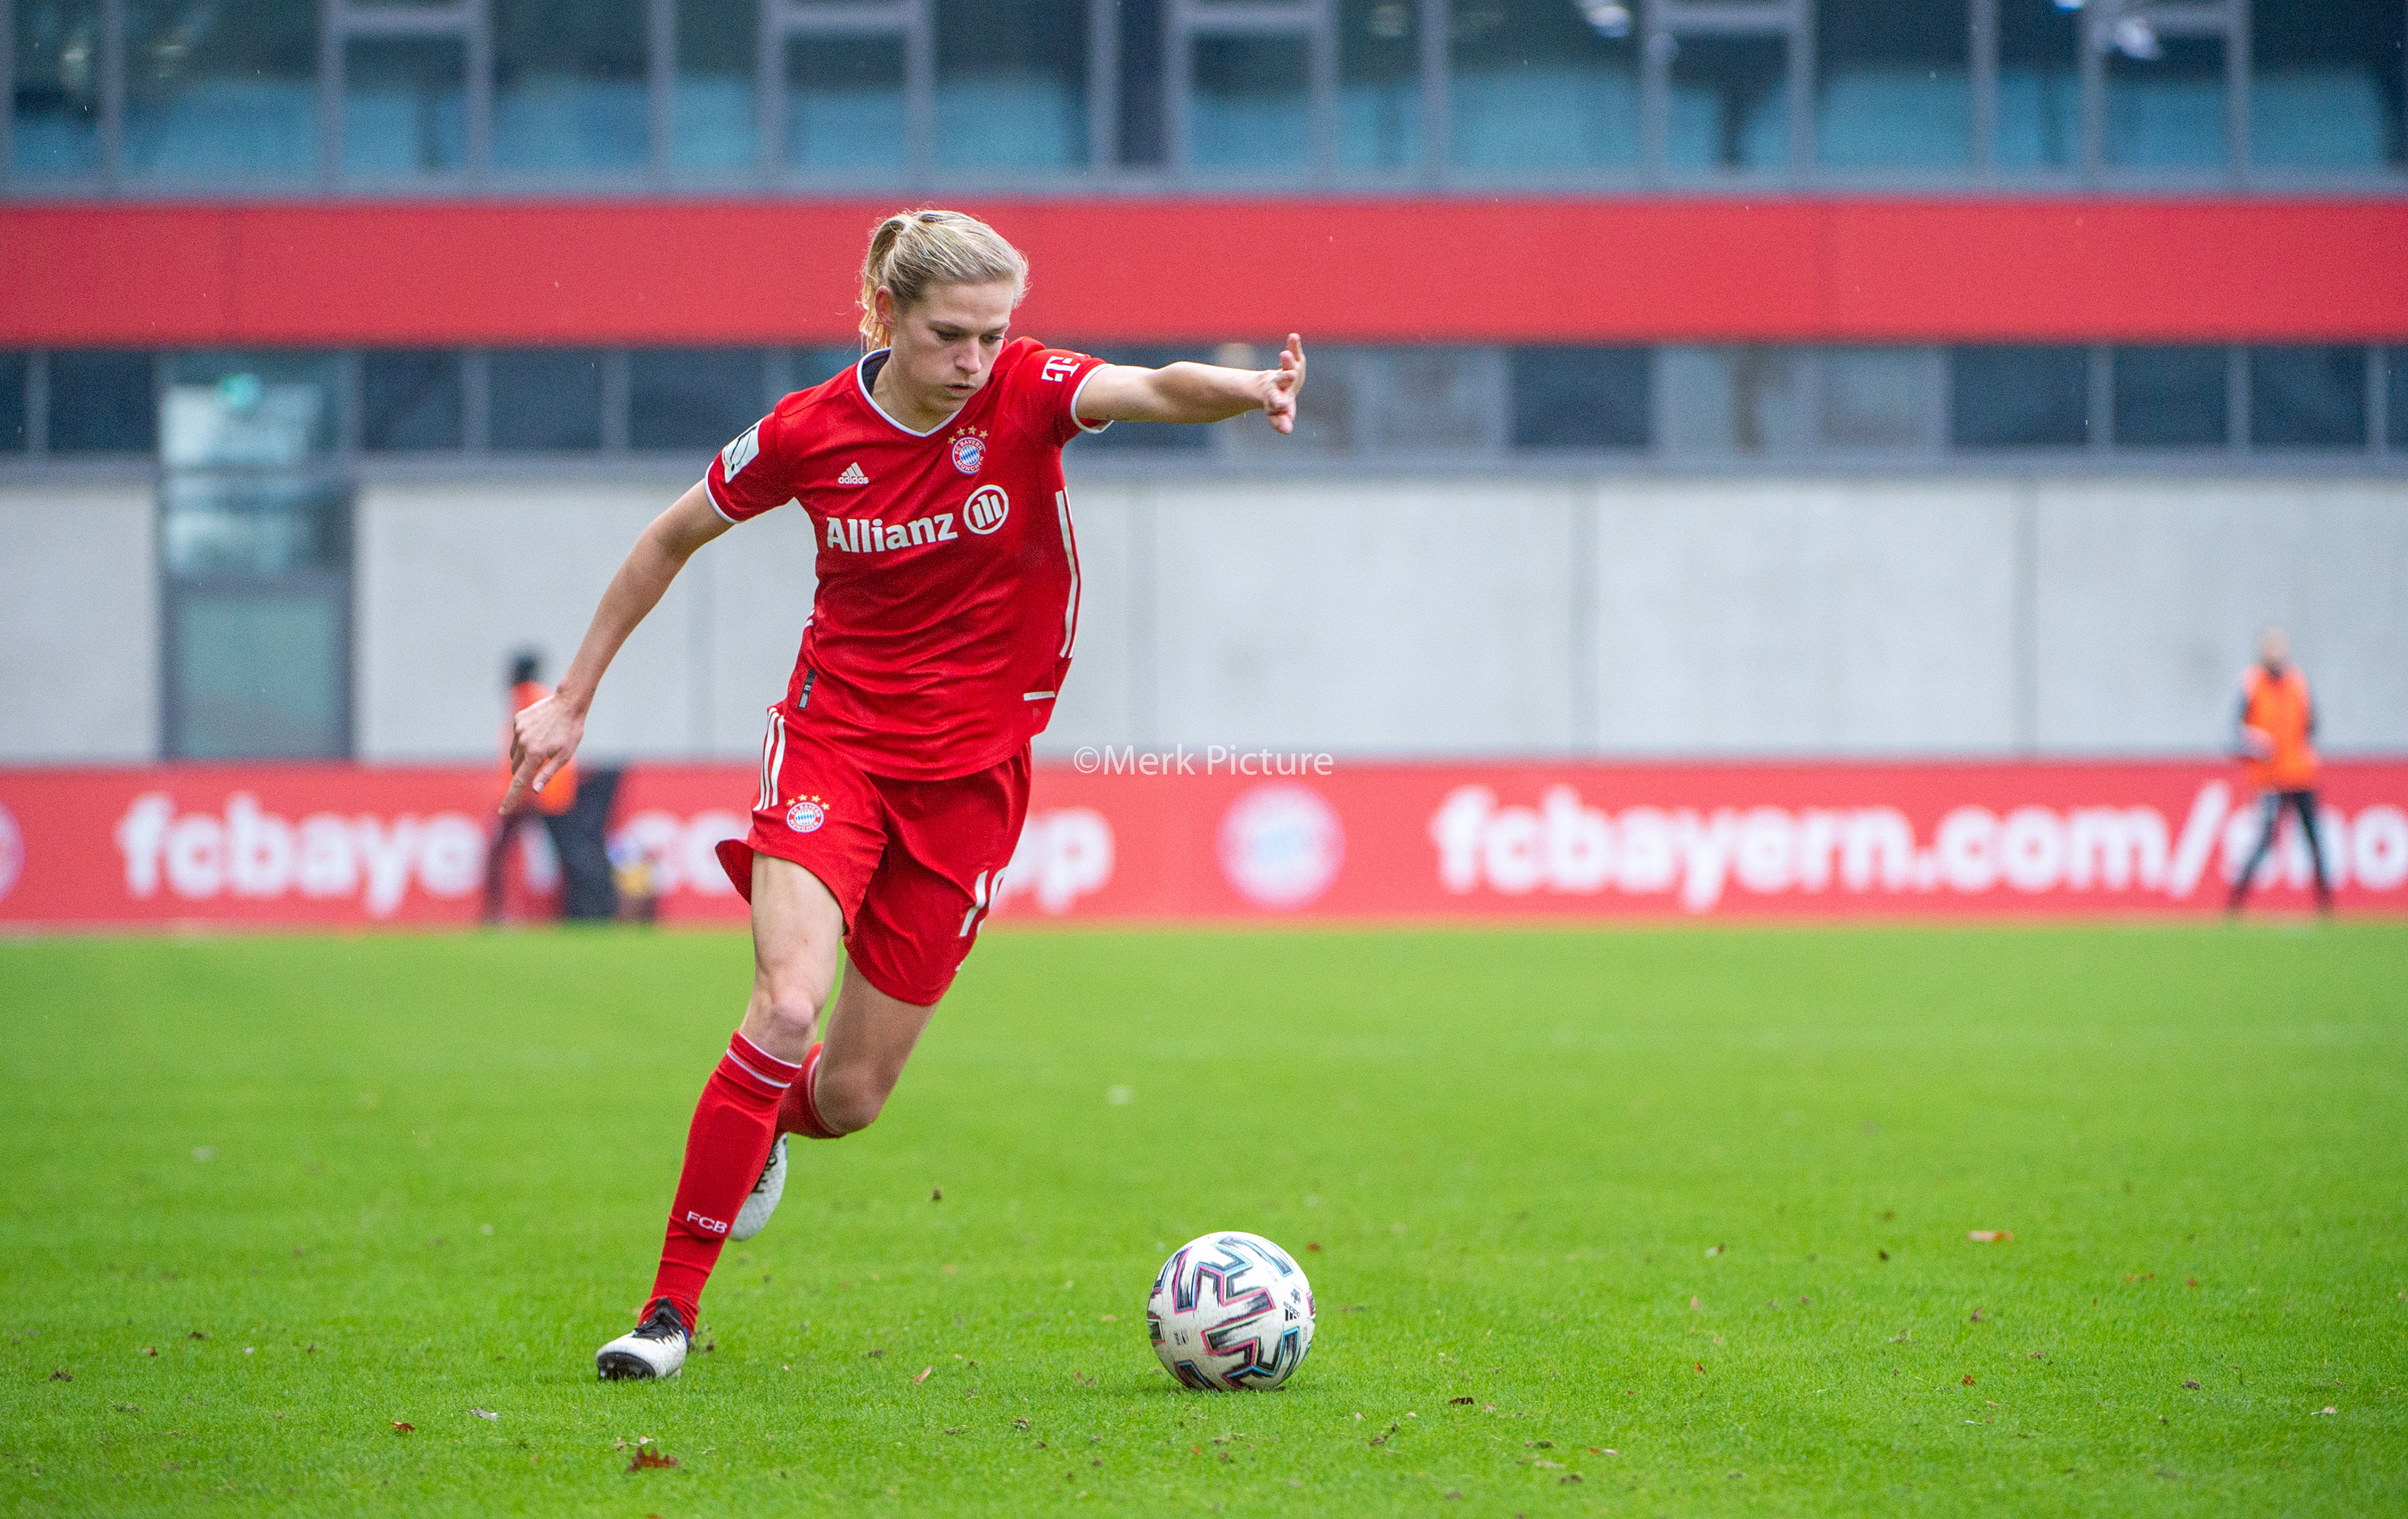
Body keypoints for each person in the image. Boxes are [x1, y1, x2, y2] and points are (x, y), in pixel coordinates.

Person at [502, 209, 1307, 1380]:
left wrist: (1247, 389)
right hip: (835, 747)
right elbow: (669, 538)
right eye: (949, 336)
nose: (975, 360)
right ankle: (666, 1313)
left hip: (972, 783)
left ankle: (765, 1120)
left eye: (992, 333)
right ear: (886, 315)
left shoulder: (1027, 390)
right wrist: (572, 696)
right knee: (785, 1004)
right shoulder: (807, 431)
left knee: (853, 1090)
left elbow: (1152, 388)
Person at [2227, 626, 2333, 915]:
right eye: (2270, 649)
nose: (2275, 654)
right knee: (2265, 841)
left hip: (2300, 774)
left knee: (2314, 838)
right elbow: (2238, 730)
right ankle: (2235, 903)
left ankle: (2327, 906)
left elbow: (2312, 724)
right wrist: (2257, 741)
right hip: (2271, 778)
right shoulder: (2253, 683)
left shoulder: (2297, 682)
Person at [481, 651, 579, 925]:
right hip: (552, 790)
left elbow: (531, 747)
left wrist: (525, 790)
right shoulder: (543, 695)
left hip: (535, 791)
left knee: (499, 852)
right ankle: (566, 914)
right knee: (561, 855)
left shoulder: (525, 696)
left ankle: (496, 915)